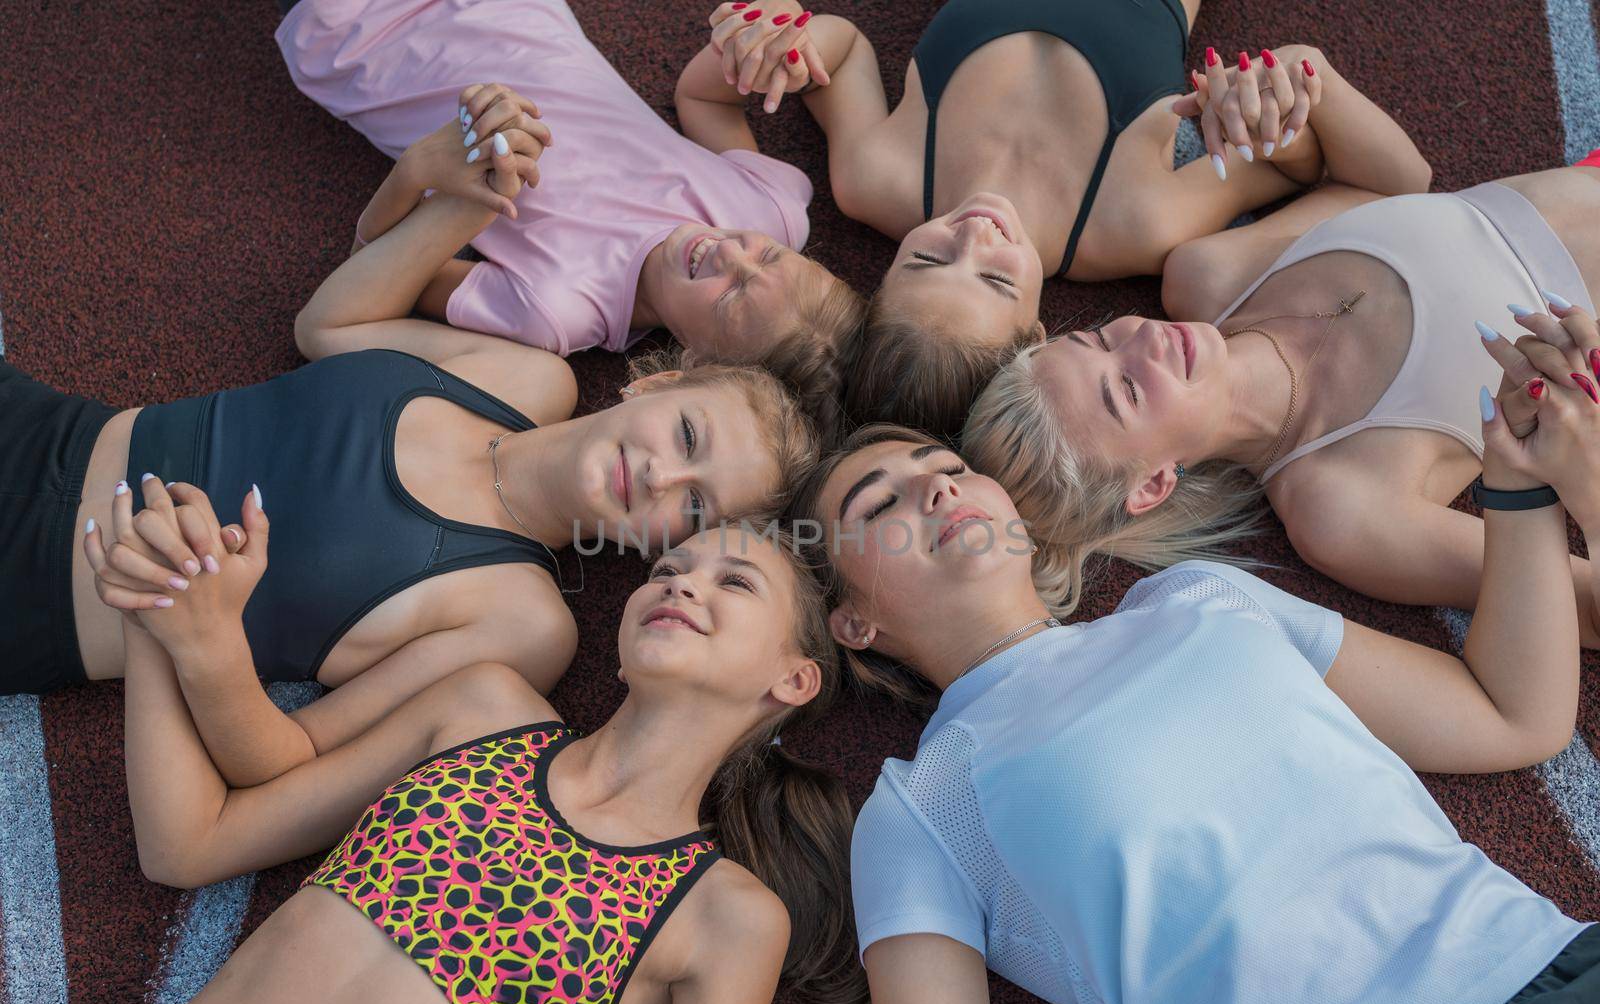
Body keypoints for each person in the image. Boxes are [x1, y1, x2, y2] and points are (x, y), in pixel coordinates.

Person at [786, 387, 1599, 1004]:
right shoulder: (920, 806)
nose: (938, 490)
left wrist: (1521, 486)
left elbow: (1511, 716)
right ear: (852, 621)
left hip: (1551, 966)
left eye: (953, 467)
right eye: (879, 503)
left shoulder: (1200, 596)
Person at [0, 145, 814, 801]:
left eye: (696, 504)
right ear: (659, 381)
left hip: (31, 593)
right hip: (48, 427)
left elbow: (286, 758)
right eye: (685, 432)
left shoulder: (524, 624)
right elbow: (328, 324)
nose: (662, 476)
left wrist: (206, 638)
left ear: (674, 549)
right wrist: (449, 190)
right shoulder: (530, 380)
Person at [6, 517, 863, 1004]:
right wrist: (163, 611)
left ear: (792, 679)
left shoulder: (728, 915)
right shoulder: (483, 709)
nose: (679, 582)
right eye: (670, 566)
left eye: (734, 582)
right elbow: (191, 842)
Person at [677, 2, 1431, 436]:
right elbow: (1335, 171)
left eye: (929, 260)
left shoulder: (879, 178)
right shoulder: (1130, 223)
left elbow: (832, 51)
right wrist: (1284, 98)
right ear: (1036, 335)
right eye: (995, 281)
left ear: (886, 267)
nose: (974, 235)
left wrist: (766, 42)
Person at [963, 165, 1600, 644]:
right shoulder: (1338, 508)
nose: (1142, 339)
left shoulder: (1206, 276)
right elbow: (1587, 609)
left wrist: (1292, 86)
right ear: (1152, 485)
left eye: (1098, 338)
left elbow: (1382, 180)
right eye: (1125, 390)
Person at [277, 0, 866, 435]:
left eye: (731, 295)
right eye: (767, 256)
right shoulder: (769, 213)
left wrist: (421, 171)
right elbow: (704, 97)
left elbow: (377, 281)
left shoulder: (557, 309)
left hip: (362, 33)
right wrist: (782, 38)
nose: (731, 252)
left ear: (698, 363)